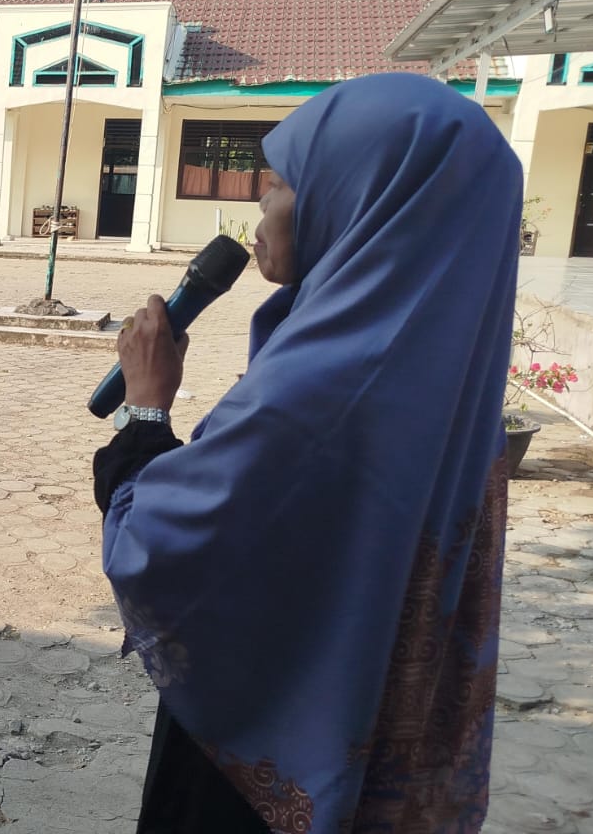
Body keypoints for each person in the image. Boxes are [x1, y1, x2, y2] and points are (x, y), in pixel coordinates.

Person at [94, 74, 519, 833]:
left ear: (363, 200)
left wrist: (145, 408)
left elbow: (157, 547)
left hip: (263, 769)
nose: (262, 204)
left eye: (286, 181)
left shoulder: (325, 386)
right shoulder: (442, 371)